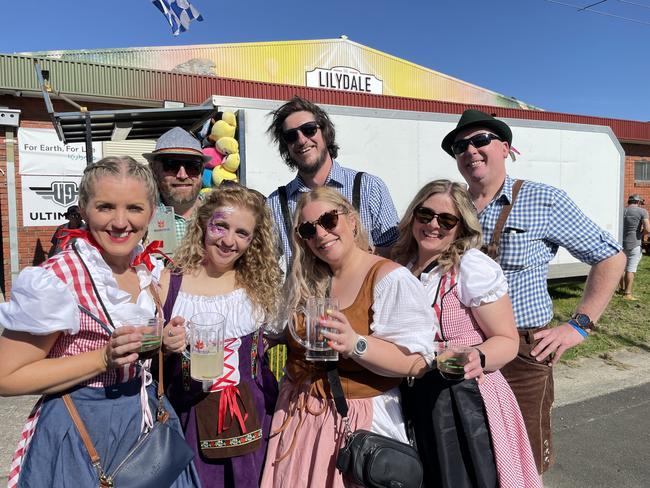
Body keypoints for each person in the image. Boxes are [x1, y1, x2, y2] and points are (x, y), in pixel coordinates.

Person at [441, 109, 625, 473]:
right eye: (461, 146)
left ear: (505, 148)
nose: (470, 151)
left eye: (481, 141)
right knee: (464, 453)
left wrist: (580, 325)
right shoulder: (447, 207)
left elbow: (610, 257)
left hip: (523, 354)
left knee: (522, 460)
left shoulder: (544, 200)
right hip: (460, 348)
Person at [0, 156, 199, 487]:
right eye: (106, 207)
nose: (120, 222)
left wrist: (163, 343)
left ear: (151, 211)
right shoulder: (58, 278)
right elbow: (5, 377)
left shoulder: (147, 269)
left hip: (146, 423)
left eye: (134, 208)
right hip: (82, 429)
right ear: (84, 208)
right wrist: (102, 359)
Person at [261, 187, 436, 488]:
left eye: (329, 220)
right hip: (298, 417)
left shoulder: (388, 278)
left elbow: (417, 362)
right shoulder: (306, 280)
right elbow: (271, 329)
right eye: (308, 229)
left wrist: (356, 343)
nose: (320, 234)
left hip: (356, 422)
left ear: (352, 221)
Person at [393, 179, 541, 488]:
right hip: (411, 393)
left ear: (461, 227)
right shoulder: (401, 266)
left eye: (446, 220)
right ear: (413, 216)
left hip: (462, 399)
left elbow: (507, 340)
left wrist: (478, 355)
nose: (433, 225)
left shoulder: (471, 267)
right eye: (425, 214)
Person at [161, 185, 282, 487]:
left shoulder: (259, 285)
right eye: (221, 226)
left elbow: (282, 337)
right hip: (187, 418)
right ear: (204, 223)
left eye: (242, 233)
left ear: (254, 240)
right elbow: (148, 362)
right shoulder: (168, 282)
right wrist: (163, 346)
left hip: (252, 421)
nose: (229, 241)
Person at [266, 96, 399, 266]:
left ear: (325, 132)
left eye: (309, 129)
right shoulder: (275, 203)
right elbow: (264, 264)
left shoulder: (369, 187)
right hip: (307, 293)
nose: (301, 140)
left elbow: (393, 253)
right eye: (291, 136)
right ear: (286, 146)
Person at [143, 126, 212, 251]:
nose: (182, 175)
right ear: (154, 170)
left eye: (192, 166)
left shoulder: (219, 212)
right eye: (171, 165)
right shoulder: (143, 217)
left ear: (201, 171)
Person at [619, 194, 650, 300]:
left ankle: (621, 289)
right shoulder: (642, 211)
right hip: (634, 244)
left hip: (620, 243)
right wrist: (640, 235)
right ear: (638, 202)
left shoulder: (621, 210)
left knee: (621, 268)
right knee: (630, 269)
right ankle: (627, 294)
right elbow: (648, 229)